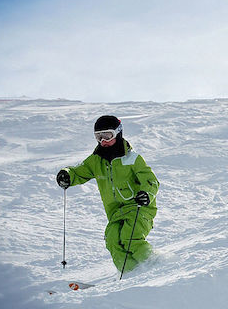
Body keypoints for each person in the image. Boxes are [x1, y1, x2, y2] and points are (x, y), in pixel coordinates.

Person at [56, 115, 159, 274]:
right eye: (98, 137)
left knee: (130, 238)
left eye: (107, 135)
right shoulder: (96, 161)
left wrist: (146, 194)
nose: (103, 141)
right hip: (116, 213)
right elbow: (79, 171)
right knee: (112, 240)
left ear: (118, 133)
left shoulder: (132, 159)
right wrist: (68, 175)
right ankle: (130, 273)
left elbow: (151, 180)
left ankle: (155, 265)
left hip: (139, 208)